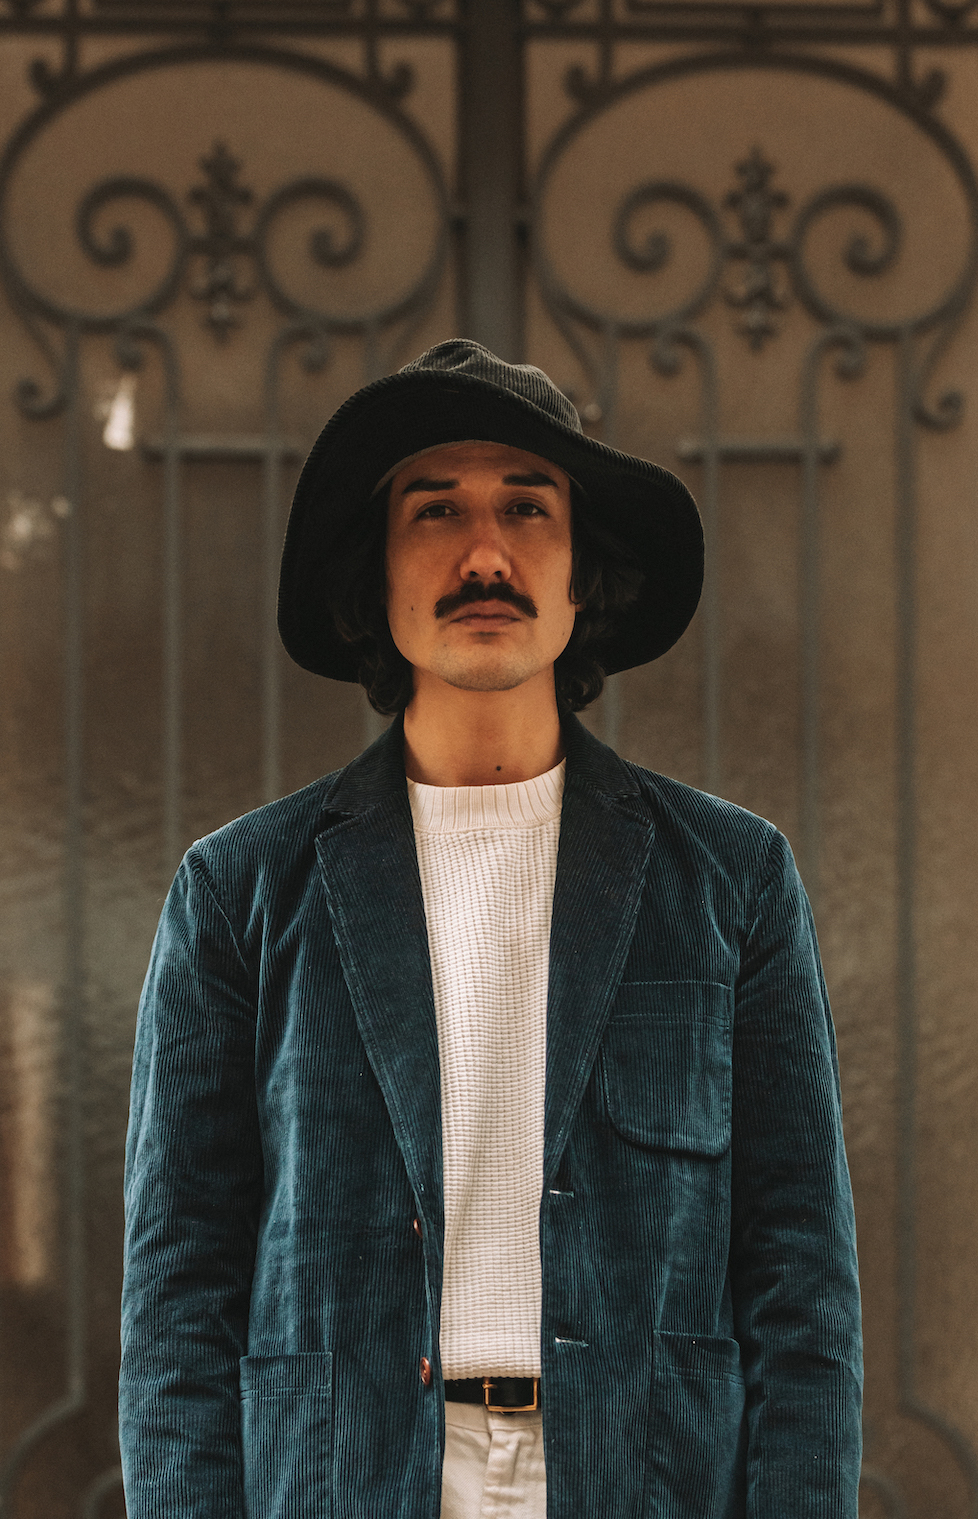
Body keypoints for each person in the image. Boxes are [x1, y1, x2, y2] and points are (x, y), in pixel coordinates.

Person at [120, 340, 862, 1519]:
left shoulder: (731, 882)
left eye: (527, 506)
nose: (484, 553)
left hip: (647, 1479)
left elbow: (800, 1285)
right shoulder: (240, 895)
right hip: (342, 1483)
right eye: (436, 509)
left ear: (583, 574)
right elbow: (178, 1297)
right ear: (376, 572)